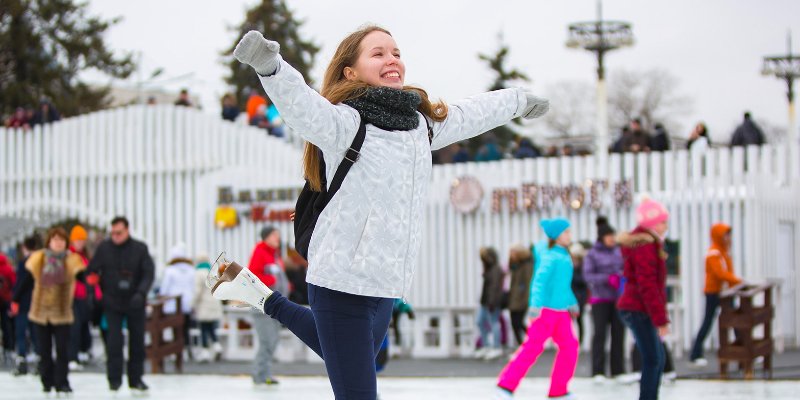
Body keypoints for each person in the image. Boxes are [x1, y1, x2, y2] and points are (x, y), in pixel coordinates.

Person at [207, 25, 549, 399]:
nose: (392, 60)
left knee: (342, 354)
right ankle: (264, 299)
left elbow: (470, 114)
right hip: (340, 282)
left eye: (396, 52)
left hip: (386, 284)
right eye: (379, 53)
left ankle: (262, 297)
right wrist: (270, 65)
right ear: (350, 71)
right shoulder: (346, 123)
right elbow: (302, 107)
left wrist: (517, 100)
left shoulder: (422, 126)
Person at [495, 218, 579, 400]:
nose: (569, 235)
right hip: (546, 312)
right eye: (566, 232)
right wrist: (535, 304)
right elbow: (539, 282)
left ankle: (559, 389)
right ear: (556, 236)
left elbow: (562, 285)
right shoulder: (550, 256)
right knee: (532, 347)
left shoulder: (563, 254)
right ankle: (505, 385)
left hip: (561, 312)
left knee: (570, 347)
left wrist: (571, 301)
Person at [11, 227, 85, 395]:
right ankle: (47, 381)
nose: (58, 243)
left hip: (62, 311)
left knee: (62, 350)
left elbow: (84, 278)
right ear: (49, 242)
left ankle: (62, 382)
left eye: (61, 240)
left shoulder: (72, 260)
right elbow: (26, 281)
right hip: (41, 311)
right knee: (44, 350)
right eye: (55, 240)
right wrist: (15, 299)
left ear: (66, 243)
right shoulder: (39, 258)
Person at [87, 216, 154, 394]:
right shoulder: (104, 248)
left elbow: (148, 273)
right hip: (112, 302)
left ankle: (136, 379)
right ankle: (114, 380)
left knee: (137, 342)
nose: (115, 236)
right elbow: (92, 270)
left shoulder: (140, 249)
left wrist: (141, 293)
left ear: (127, 230)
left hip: (135, 302)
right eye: (113, 233)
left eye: (119, 233)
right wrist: (93, 282)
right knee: (114, 342)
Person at [617, 197, 670, 400]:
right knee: (653, 358)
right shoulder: (645, 246)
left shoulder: (649, 244)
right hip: (637, 308)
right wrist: (660, 320)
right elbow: (647, 285)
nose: (666, 226)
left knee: (657, 357)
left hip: (638, 308)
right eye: (663, 221)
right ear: (651, 223)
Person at [689, 223, 743, 367]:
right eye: (726, 234)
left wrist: (734, 284)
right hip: (714, 293)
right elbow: (720, 273)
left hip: (725, 293)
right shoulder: (714, 253)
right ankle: (695, 354)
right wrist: (738, 281)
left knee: (735, 322)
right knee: (708, 322)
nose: (728, 238)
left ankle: (744, 351)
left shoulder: (724, 252)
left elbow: (727, 272)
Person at [583, 216, 626, 381]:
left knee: (618, 334)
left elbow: (625, 268)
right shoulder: (592, 254)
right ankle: (598, 371)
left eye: (613, 236)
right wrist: (607, 278)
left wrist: (621, 278)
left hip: (618, 299)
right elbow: (588, 276)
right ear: (602, 237)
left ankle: (618, 370)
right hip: (600, 300)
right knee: (600, 334)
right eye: (609, 236)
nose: (612, 239)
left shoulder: (618, 252)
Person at [247, 226, 288, 388]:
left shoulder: (274, 255)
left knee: (273, 340)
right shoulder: (260, 252)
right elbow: (253, 276)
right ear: (266, 237)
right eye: (274, 235)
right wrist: (271, 280)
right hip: (262, 306)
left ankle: (265, 374)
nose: (277, 238)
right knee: (267, 341)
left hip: (273, 306)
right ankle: (259, 375)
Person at [159, 242, 197, 360]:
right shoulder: (191, 270)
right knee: (185, 328)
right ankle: (185, 349)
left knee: (175, 328)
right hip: (187, 303)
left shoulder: (170, 270)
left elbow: (165, 288)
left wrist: (162, 298)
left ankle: (176, 350)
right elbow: (193, 287)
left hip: (172, 304)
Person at [11, 235, 40, 376]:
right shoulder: (41, 263)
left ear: (25, 248)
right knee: (36, 334)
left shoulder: (25, 264)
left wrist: (15, 299)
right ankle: (39, 360)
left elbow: (20, 284)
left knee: (21, 334)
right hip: (37, 304)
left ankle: (22, 361)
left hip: (24, 304)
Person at [67, 225, 92, 371]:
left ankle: (82, 351)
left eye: (82, 240)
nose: (80, 243)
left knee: (83, 325)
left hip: (83, 295)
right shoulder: (70, 255)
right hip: (72, 296)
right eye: (78, 240)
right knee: (74, 327)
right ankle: (72, 356)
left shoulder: (84, 255)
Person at [193, 253, 224, 362]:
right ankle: (217, 346)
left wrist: (192, 304)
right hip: (214, 303)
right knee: (211, 328)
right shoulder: (212, 272)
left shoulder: (198, 273)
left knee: (203, 328)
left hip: (203, 305)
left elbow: (197, 291)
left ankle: (205, 352)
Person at [477, 247, 505, 361]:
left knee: (494, 323)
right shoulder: (489, 269)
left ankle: (496, 347)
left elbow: (494, 288)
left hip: (492, 302)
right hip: (486, 301)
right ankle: (487, 345)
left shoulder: (496, 269)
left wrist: (492, 302)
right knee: (480, 322)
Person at [507, 244, 533, 346]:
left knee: (518, 322)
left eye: (513, 253)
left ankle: (530, 341)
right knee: (514, 323)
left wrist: (527, 300)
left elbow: (528, 284)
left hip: (521, 299)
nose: (511, 255)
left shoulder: (527, 265)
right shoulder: (515, 265)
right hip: (514, 298)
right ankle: (521, 344)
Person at [569, 243, 588, 346]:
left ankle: (579, 342)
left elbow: (583, 281)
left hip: (580, 297)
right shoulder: (568, 265)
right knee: (568, 320)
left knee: (579, 319)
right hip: (570, 297)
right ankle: (569, 341)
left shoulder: (583, 266)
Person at [0, 252, 16, 361]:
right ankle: (9, 348)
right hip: (6, 300)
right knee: (7, 326)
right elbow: (14, 283)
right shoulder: (8, 268)